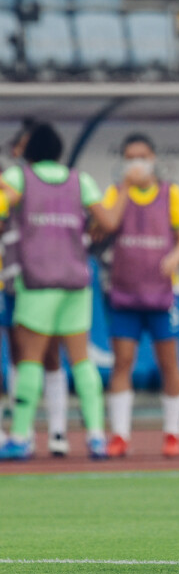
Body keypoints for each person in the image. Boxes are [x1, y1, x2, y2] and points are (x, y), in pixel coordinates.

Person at [0, 123, 118, 461]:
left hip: (36, 282)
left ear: (29, 151)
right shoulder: (79, 180)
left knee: (30, 361)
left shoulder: (22, 179)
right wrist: (90, 228)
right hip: (75, 281)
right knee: (81, 361)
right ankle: (96, 436)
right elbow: (108, 222)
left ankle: (21, 436)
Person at [101, 134, 179, 460]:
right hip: (125, 292)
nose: (136, 163)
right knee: (122, 361)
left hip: (163, 294)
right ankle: (120, 435)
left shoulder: (171, 193)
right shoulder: (115, 192)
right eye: (130, 157)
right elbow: (107, 227)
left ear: (153, 157)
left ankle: (172, 433)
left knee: (169, 362)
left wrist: (174, 259)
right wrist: (124, 187)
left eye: (141, 156)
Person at [0, 121, 69, 458]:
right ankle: (17, 428)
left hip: (35, 279)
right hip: (16, 278)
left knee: (44, 353)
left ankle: (54, 431)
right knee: (20, 353)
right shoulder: (13, 178)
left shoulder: (35, 180)